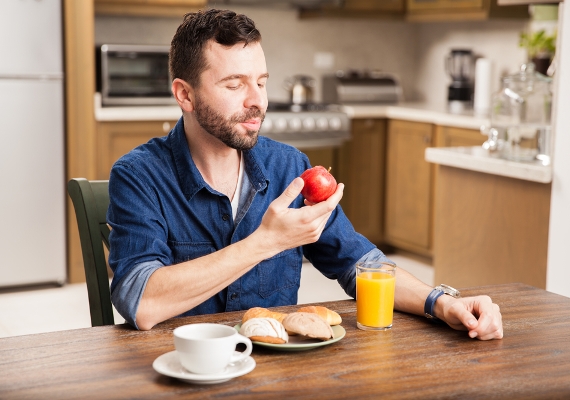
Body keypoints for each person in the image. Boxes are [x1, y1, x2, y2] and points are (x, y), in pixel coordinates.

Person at [107, 9, 503, 340]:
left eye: (261, 82)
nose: (256, 101)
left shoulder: (290, 167)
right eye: (234, 84)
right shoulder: (138, 175)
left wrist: (442, 302)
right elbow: (142, 303)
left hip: (278, 375)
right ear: (185, 94)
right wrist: (265, 242)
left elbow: (359, 263)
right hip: (183, 373)